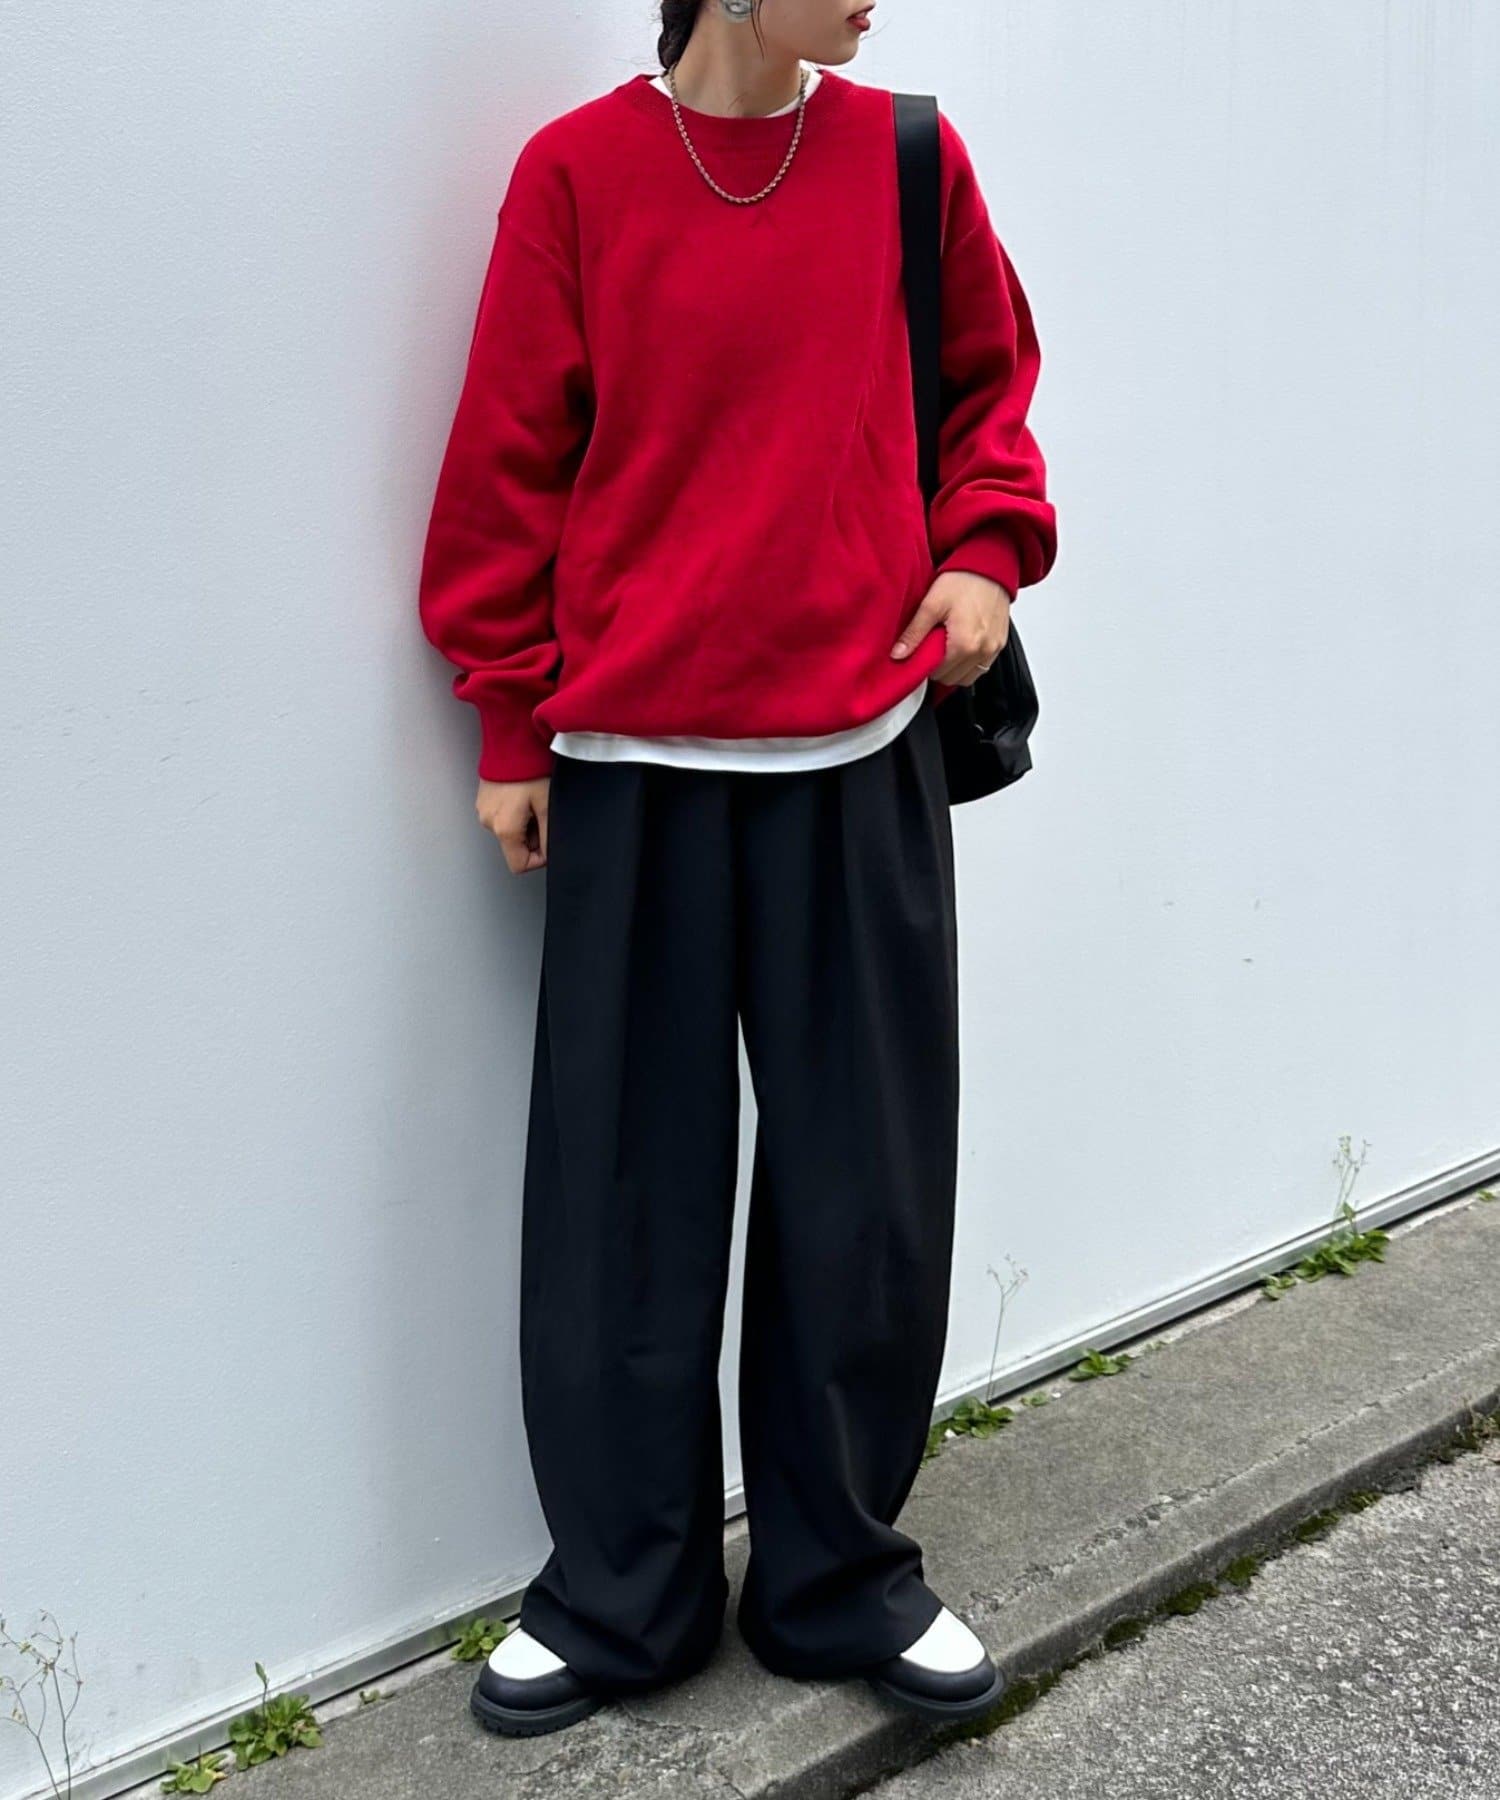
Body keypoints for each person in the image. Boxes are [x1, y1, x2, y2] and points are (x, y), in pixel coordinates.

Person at [417, 0, 1057, 1740]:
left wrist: (986, 554)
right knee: (622, 1197)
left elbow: (990, 388)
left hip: (860, 748)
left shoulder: (909, 158)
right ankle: (621, 1592)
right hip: (634, 764)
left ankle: (839, 1576)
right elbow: (506, 462)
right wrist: (508, 721)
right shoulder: (578, 176)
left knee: (865, 1191)